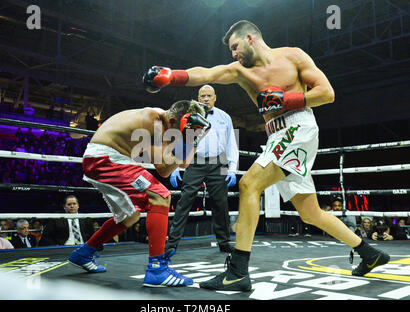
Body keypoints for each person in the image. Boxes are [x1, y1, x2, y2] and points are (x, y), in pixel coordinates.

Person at [142, 20, 390, 291]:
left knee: (250, 184)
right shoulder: (240, 71)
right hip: (277, 135)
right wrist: (171, 75)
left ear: (250, 38)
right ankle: (370, 253)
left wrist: (286, 100)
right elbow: (207, 73)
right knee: (311, 213)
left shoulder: (292, 55)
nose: (233, 54)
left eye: (235, 47)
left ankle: (237, 272)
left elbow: (326, 93)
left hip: (298, 127)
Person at [67, 99, 210, 287]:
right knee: (160, 195)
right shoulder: (155, 121)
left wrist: (192, 140)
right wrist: (188, 140)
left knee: (130, 216)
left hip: (107, 159)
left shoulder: (164, 122)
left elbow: (180, 163)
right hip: (105, 159)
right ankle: (157, 269)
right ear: (176, 122)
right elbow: (164, 169)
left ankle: (84, 253)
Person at [166, 85, 239, 254]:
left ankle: (224, 242)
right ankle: (172, 243)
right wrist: (176, 166)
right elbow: (179, 140)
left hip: (219, 161)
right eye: (202, 96)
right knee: (185, 201)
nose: (205, 98)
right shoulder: (188, 116)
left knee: (221, 203)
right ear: (198, 98)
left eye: (209, 95)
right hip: (194, 161)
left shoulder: (224, 117)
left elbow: (231, 144)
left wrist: (232, 168)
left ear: (215, 97)